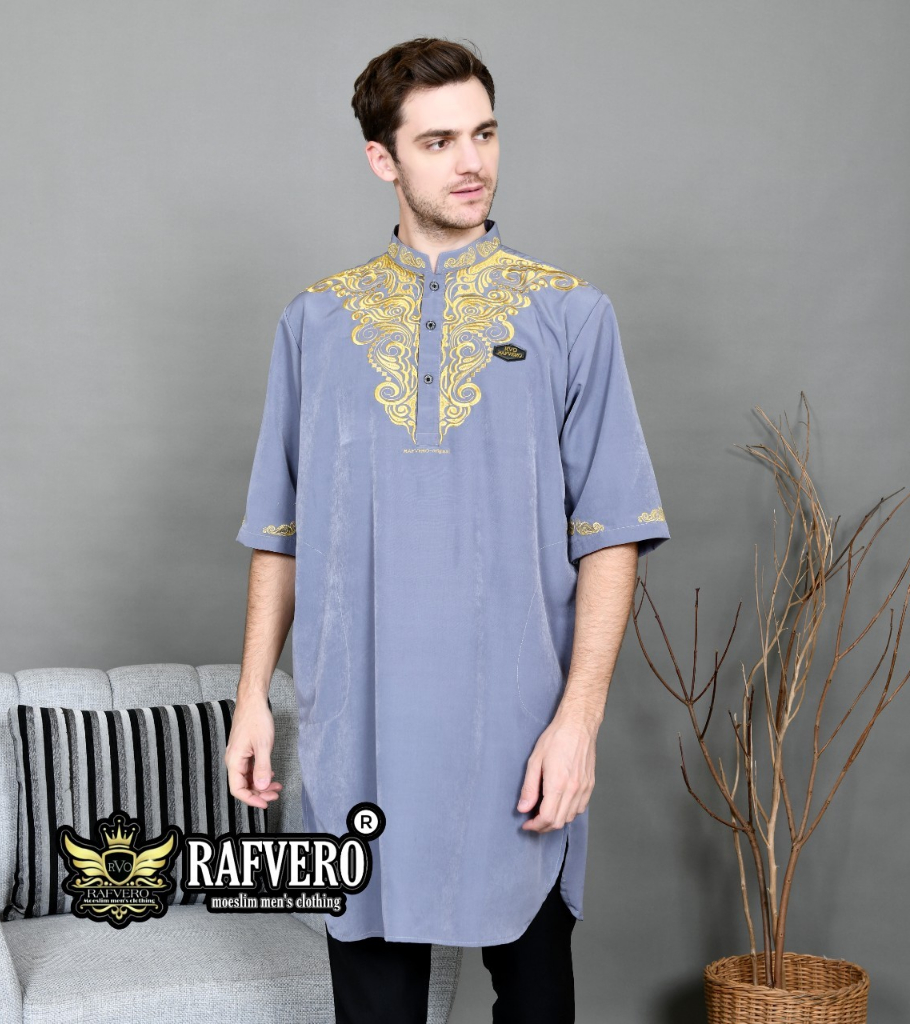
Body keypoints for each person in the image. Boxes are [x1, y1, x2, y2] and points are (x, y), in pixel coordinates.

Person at [225, 37, 670, 1024]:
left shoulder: (570, 315)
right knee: (375, 1007)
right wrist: (253, 695)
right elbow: (279, 529)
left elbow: (610, 535)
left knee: (537, 1003)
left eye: (484, 133)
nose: (472, 162)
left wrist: (577, 723)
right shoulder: (315, 323)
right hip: (360, 740)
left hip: (519, 738)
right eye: (438, 142)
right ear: (381, 159)